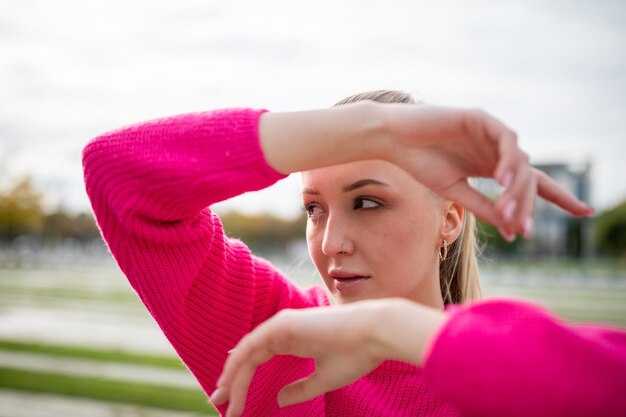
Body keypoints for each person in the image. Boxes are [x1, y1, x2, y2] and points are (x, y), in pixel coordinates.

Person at [82, 90, 610, 417]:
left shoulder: (510, 373)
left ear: (449, 220)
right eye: (314, 208)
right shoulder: (279, 337)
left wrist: (404, 335)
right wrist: (370, 127)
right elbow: (116, 175)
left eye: (368, 202)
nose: (331, 242)